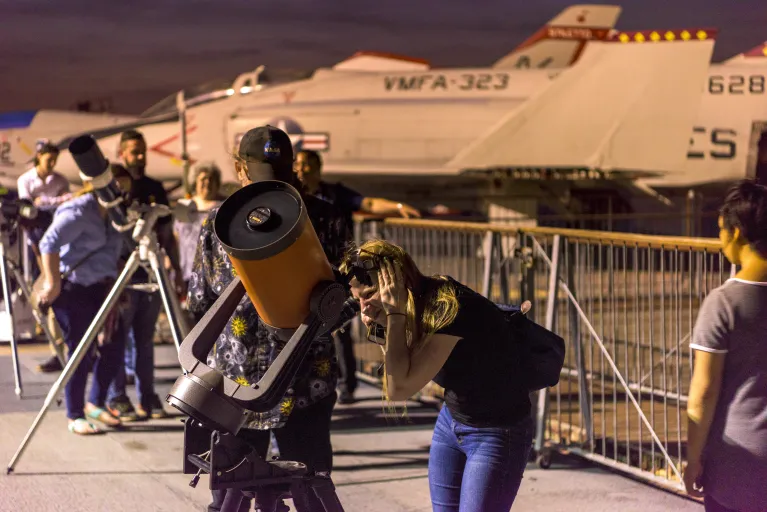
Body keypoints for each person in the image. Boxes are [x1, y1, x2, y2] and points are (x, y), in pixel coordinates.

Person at [187, 126, 351, 512]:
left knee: (233, 491)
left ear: (241, 169)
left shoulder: (219, 223)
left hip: (242, 386)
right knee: (311, 485)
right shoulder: (326, 218)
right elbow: (345, 303)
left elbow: (200, 299)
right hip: (296, 382)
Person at [341, 239, 533, 511]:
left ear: (399, 281)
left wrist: (394, 316)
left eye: (369, 294)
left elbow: (399, 389)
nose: (364, 307)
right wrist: (383, 326)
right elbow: (401, 367)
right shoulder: (413, 300)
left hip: (496, 430)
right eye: (357, 297)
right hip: (452, 421)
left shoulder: (447, 308)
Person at [294, 149, 420, 404]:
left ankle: (346, 384)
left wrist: (397, 207)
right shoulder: (290, 197)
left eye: (308, 164)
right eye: (297, 164)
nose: (302, 169)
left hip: (337, 270)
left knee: (340, 328)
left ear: (319, 167)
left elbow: (368, 204)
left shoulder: (335, 194)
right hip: (305, 271)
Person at [683, 179, 767, 512]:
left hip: (738, 458)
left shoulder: (723, 303)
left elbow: (704, 392)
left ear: (736, 233)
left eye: (721, 230)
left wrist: (693, 459)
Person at [37, 178, 125, 435]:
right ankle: (74, 414)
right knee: (80, 353)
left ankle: (95, 403)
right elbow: (48, 243)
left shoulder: (115, 214)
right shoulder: (78, 211)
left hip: (102, 288)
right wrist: (52, 283)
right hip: (73, 289)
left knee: (114, 346)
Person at [106, 129, 182, 421]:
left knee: (144, 340)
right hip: (122, 274)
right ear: (122, 153)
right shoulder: (114, 190)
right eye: (133, 151)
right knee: (118, 338)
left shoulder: (155, 187)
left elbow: (165, 230)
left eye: (142, 151)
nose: (139, 157)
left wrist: (172, 267)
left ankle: (147, 397)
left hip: (150, 272)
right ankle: (117, 396)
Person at [17, 142, 73, 373]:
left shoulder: (59, 180)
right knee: (45, 296)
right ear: (38, 157)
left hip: (58, 238)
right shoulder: (25, 180)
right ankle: (57, 350)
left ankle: (68, 349)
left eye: (54, 161)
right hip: (36, 241)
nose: (51, 165)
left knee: (62, 296)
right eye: (47, 160)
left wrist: (47, 203)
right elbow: (30, 209)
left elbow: (63, 203)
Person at [173, 162, 224, 291]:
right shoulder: (184, 205)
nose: (207, 182)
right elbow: (175, 237)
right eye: (203, 179)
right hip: (186, 270)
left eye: (211, 179)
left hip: (212, 271)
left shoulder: (222, 207)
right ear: (195, 182)